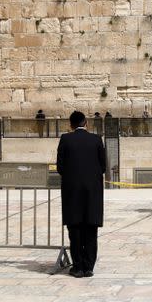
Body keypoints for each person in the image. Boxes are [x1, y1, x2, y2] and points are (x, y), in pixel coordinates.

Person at [56, 111, 106, 278]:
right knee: (91, 229)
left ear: (70, 125)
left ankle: (77, 267)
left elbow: (60, 167)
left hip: (72, 193)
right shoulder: (96, 140)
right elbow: (103, 166)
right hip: (92, 193)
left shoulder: (65, 139)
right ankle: (89, 266)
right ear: (86, 123)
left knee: (75, 229)